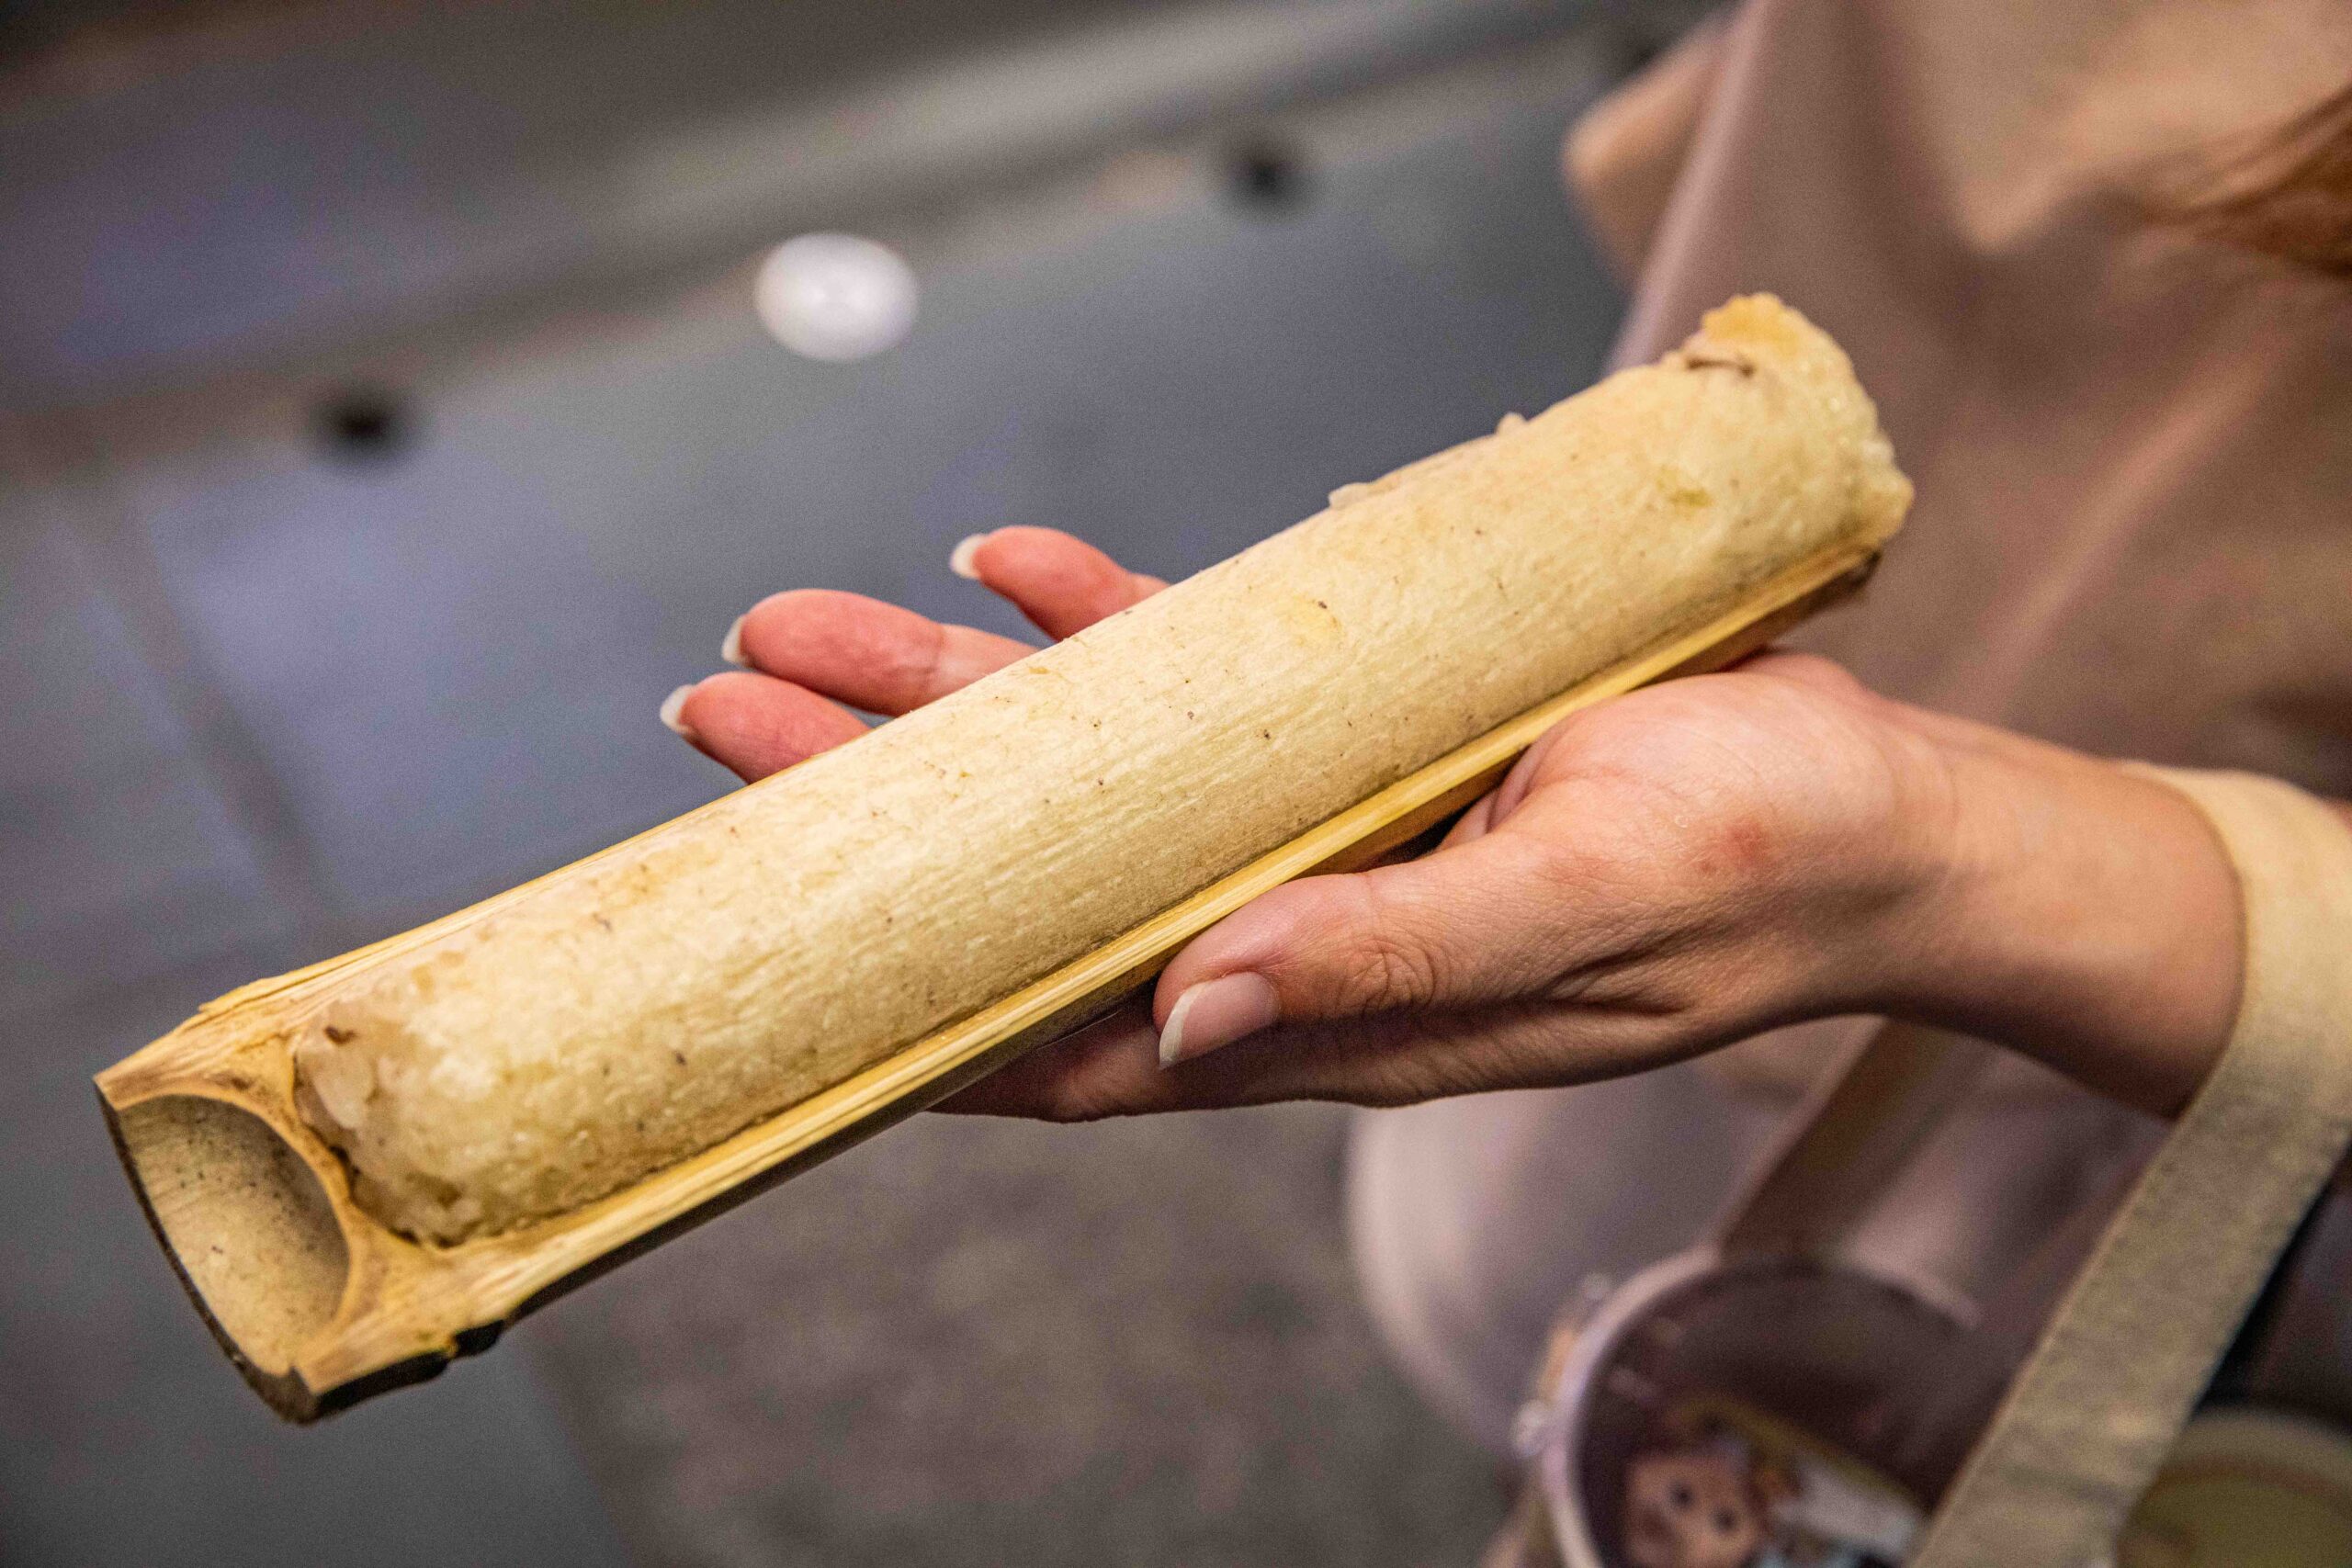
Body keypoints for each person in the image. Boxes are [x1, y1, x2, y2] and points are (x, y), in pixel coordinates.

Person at [661, 0, 2352, 1472]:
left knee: (1839, 1412)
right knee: (1542, 1289)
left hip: (2176, 992)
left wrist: (1950, 854)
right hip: (1658, 600)